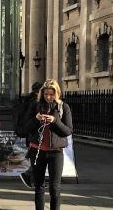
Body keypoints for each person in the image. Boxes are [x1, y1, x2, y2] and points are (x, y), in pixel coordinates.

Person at [23, 79, 72, 210]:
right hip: (37, 151)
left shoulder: (63, 107)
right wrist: (36, 119)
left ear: (57, 93)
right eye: (46, 94)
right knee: (38, 186)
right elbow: (25, 128)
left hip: (55, 152)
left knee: (55, 188)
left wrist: (55, 121)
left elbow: (68, 131)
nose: (49, 97)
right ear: (42, 94)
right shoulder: (35, 106)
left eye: (51, 94)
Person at [17, 81, 44, 188]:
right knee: (38, 158)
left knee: (36, 157)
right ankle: (29, 175)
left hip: (30, 133)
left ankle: (32, 178)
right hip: (35, 133)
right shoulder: (35, 102)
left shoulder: (27, 100)